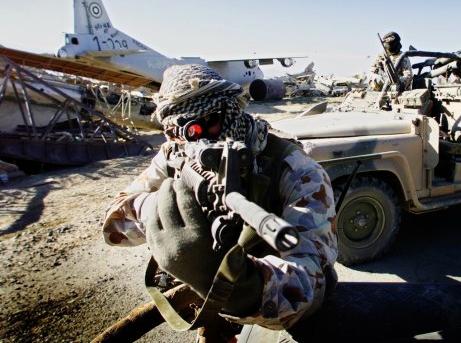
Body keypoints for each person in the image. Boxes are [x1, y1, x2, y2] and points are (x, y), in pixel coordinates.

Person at [101, 64, 338, 340]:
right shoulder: (174, 153)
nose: (199, 140)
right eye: (188, 131)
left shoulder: (298, 172)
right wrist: (150, 210)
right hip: (205, 304)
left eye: (209, 122)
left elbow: (311, 287)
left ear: (232, 111)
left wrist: (241, 287)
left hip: (263, 311)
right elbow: (113, 228)